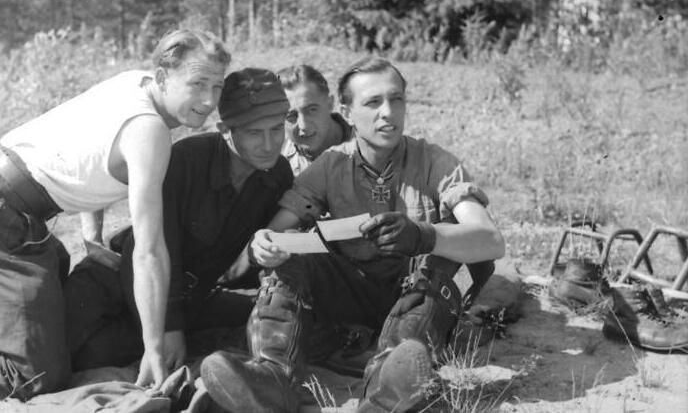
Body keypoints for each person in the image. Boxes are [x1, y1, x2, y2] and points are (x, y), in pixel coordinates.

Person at [0, 29, 230, 399]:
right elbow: (148, 251)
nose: (209, 100)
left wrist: (93, 236)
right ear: (165, 77)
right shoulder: (150, 132)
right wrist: (153, 346)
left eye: (217, 86)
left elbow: (87, 145)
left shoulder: (136, 82)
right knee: (31, 373)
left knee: (55, 309)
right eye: (198, 83)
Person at [200, 57, 505, 413]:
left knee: (441, 259)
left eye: (397, 100)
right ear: (345, 111)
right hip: (353, 293)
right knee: (289, 258)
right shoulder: (330, 165)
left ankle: (388, 388)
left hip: (421, 299)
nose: (388, 113)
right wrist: (264, 244)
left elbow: (490, 240)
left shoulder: (435, 162)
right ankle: (272, 379)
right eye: (373, 103)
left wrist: (425, 235)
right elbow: (277, 231)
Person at [63, 67, 294, 371]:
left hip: (189, 300)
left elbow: (242, 264)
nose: (268, 145)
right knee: (57, 360)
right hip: (119, 282)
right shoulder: (187, 160)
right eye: (254, 133)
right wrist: (167, 328)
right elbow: (151, 248)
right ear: (226, 131)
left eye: (276, 130)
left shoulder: (277, 176)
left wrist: (260, 253)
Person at [278, 64, 352, 175]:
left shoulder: (371, 148)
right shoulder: (273, 161)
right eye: (291, 116)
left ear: (330, 104)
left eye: (312, 110)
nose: (303, 126)